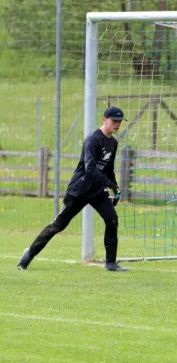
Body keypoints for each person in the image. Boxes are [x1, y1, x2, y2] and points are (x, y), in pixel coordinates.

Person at [18, 106, 129, 272]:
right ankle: (28, 256)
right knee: (58, 225)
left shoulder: (113, 143)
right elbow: (90, 169)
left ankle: (111, 263)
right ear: (104, 119)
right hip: (80, 190)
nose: (117, 124)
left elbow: (108, 169)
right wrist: (109, 184)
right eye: (114, 120)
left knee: (112, 219)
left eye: (120, 121)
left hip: (97, 191)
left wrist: (116, 189)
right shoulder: (93, 140)